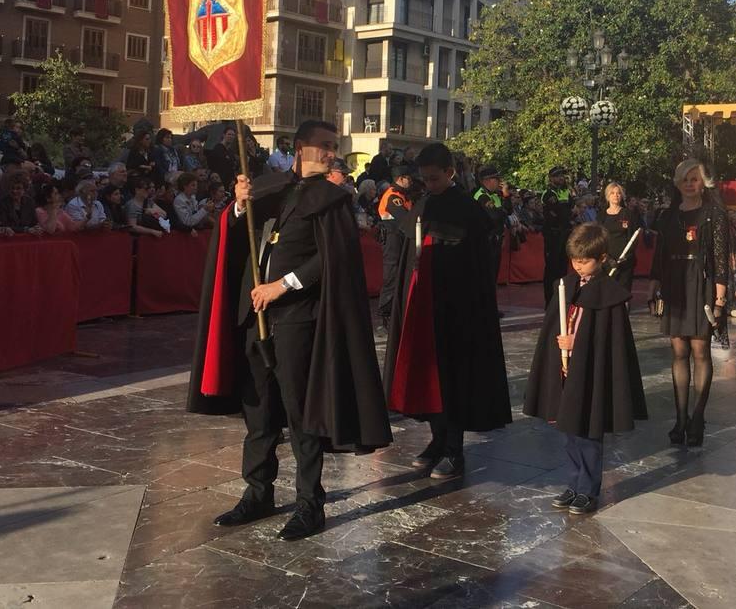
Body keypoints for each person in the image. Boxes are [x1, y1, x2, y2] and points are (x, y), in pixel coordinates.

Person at [187, 120, 391, 542]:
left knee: (302, 415)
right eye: (324, 146)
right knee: (258, 413)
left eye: (334, 146)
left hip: (297, 320)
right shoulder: (269, 187)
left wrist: (282, 286)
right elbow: (237, 232)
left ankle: (308, 503)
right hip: (252, 316)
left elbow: (330, 259)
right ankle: (257, 492)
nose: (331, 153)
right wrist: (240, 204)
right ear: (300, 148)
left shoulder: (333, 200)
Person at [383, 142, 512, 481]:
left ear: (450, 174)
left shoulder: (468, 210)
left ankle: (453, 449)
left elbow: (477, 265)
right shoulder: (424, 202)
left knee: (452, 380)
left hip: (456, 309)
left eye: (435, 178)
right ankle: (437, 440)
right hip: (423, 305)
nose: (429, 185)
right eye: (424, 179)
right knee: (427, 378)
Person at [523, 223, 647, 515]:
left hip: (591, 372)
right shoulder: (566, 286)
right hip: (567, 372)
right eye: (575, 260)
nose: (579, 267)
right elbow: (558, 321)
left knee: (588, 434)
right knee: (569, 431)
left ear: (602, 258)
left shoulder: (610, 295)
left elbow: (606, 341)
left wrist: (576, 342)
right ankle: (574, 482)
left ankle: (589, 489)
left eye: (585, 261)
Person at [646, 159, 729, 448]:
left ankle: (697, 417)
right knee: (678, 350)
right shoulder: (668, 216)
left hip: (702, 284)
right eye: (685, 179)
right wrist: (653, 286)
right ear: (678, 182)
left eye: (695, 179)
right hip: (674, 283)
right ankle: (680, 417)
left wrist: (719, 299)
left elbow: (721, 259)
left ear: (702, 181)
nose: (690, 183)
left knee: (700, 349)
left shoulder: (714, 214)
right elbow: (659, 255)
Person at [376, 166, 415, 328]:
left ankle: (396, 312)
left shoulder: (403, 195)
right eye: (408, 178)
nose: (411, 181)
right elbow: (405, 219)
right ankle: (386, 314)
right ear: (400, 178)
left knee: (400, 275)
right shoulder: (393, 196)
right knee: (391, 277)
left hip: (399, 240)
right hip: (392, 240)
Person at [472, 166, 512, 303]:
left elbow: (509, 211)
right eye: (496, 179)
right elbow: (494, 216)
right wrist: (502, 211)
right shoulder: (481, 195)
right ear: (487, 181)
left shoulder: (496, 195)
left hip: (497, 239)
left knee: (493, 275)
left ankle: (492, 304)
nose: (499, 182)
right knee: (486, 276)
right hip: (486, 241)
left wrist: (506, 195)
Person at [600, 181, 643, 303]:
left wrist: (625, 258)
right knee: (607, 294)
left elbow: (633, 238)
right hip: (606, 260)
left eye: (618, 193)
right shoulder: (601, 215)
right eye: (612, 193)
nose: (616, 195)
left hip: (624, 261)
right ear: (607, 196)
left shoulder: (628, 214)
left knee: (622, 294)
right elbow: (599, 238)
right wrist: (607, 258)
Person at [541, 166, 575, 307]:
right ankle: (550, 300)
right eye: (558, 176)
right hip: (553, 234)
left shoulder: (566, 192)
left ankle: (561, 298)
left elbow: (571, 210)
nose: (561, 178)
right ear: (551, 178)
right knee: (552, 268)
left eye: (562, 175)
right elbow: (560, 213)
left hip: (564, 233)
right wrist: (567, 211)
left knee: (562, 267)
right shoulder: (549, 194)